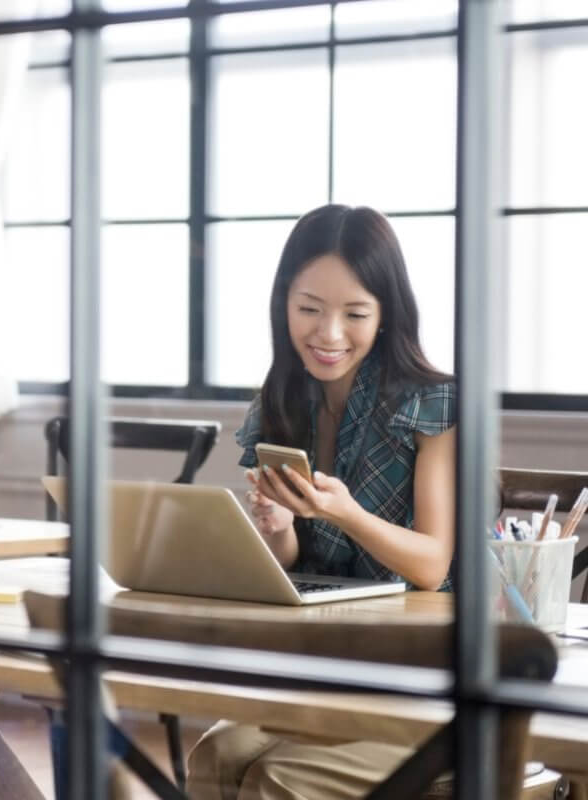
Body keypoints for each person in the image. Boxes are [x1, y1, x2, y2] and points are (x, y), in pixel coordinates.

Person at [186, 203, 457, 800]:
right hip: (331, 657)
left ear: (386, 315)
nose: (328, 334)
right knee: (214, 755)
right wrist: (277, 527)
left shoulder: (433, 403)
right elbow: (288, 561)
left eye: (355, 313)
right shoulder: (284, 397)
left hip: (430, 674)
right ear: (284, 303)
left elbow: (433, 567)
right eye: (308, 308)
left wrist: (346, 512)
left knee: (275, 779)